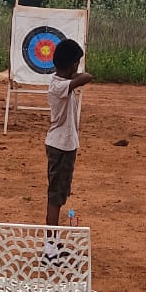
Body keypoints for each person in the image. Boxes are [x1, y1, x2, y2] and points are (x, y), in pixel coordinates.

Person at [45, 40, 93, 226]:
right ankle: (51, 241)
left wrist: (71, 71)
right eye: (77, 63)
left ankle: (53, 238)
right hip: (60, 146)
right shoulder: (59, 86)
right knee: (55, 197)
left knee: (60, 193)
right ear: (73, 64)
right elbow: (87, 77)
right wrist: (74, 73)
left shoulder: (63, 82)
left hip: (64, 145)